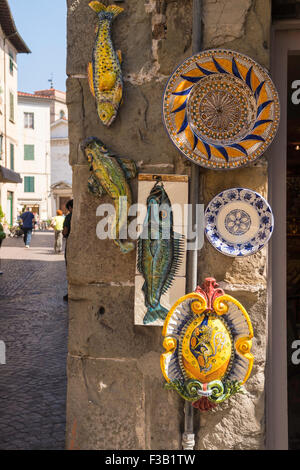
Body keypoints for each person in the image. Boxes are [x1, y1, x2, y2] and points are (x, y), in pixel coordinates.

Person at [62, 199, 73, 301]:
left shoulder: (69, 217)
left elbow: (65, 231)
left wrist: (64, 234)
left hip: (71, 244)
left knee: (70, 267)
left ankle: (71, 292)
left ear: (70, 208)